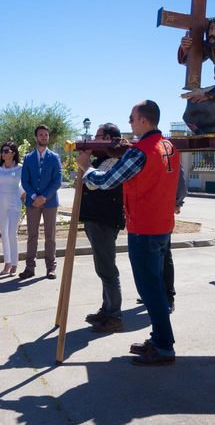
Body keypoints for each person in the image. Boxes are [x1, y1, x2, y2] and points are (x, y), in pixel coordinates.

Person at [77, 100, 180, 366]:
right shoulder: (169, 146)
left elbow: (105, 181)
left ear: (144, 121)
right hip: (161, 225)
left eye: (132, 118)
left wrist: (86, 167)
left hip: (144, 228)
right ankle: (160, 339)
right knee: (155, 287)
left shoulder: (140, 152)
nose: (130, 122)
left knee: (150, 290)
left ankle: (164, 346)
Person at [80, 123, 126, 333]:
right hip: (96, 220)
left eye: (98, 136)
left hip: (104, 221)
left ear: (107, 138)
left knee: (107, 269)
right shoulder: (101, 160)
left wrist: (85, 165)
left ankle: (114, 315)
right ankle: (107, 309)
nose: (94, 139)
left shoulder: (114, 160)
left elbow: (93, 183)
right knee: (103, 268)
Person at [20, 125, 62, 280]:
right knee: (32, 236)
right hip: (32, 203)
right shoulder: (28, 158)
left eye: (46, 134)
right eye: (41, 134)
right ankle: (29, 268)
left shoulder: (55, 157)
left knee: (50, 236)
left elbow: (57, 180)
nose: (44, 137)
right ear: (36, 137)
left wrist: (44, 197)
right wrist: (33, 197)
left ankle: (51, 268)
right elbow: (25, 180)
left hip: (49, 202)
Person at [0, 141, 24, 275]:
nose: (3, 153)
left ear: (13, 153)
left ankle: (15, 263)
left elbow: (25, 185)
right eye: (2, 151)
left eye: (6, 151)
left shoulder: (20, 168)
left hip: (14, 201)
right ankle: (7, 263)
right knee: (3, 232)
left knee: (12, 233)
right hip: (1, 202)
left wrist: (25, 195)